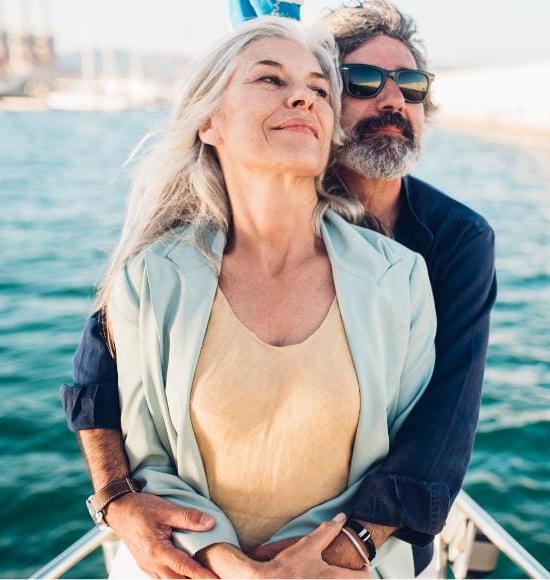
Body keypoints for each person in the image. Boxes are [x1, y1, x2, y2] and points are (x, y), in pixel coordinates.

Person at [61, 1, 497, 577]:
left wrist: (340, 555)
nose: (393, 100)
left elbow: (443, 423)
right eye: (363, 81)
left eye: (412, 85)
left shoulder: (437, 250)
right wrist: (117, 497)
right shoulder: (170, 257)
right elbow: (100, 374)